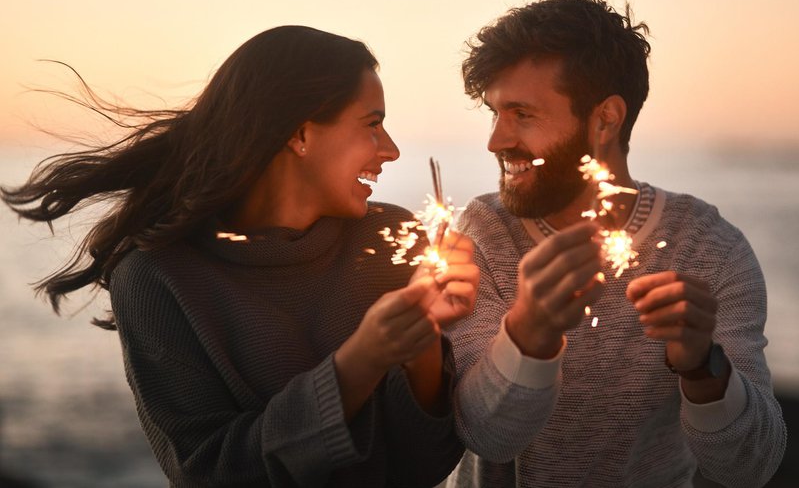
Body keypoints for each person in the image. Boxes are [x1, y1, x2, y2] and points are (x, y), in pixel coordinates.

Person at [2, 26, 479, 487]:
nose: (391, 150)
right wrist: (360, 361)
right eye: (372, 124)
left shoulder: (394, 239)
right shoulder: (157, 276)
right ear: (300, 134)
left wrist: (421, 349)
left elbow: (424, 467)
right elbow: (207, 472)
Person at [444, 0, 786, 487]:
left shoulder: (706, 247)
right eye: (495, 113)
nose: (496, 140)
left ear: (606, 118)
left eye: (522, 114)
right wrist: (529, 332)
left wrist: (701, 367)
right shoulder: (483, 233)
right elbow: (488, 437)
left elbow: (751, 467)